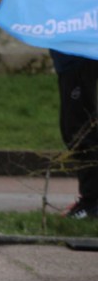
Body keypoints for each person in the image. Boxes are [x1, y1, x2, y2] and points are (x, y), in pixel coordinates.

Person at [50, 51, 97, 219]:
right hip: (70, 62)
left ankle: (92, 203)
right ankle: (90, 199)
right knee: (75, 130)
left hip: (77, 59)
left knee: (81, 133)